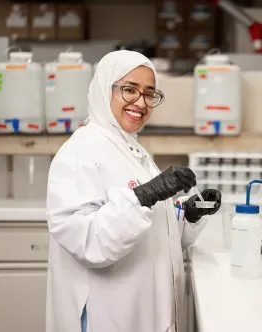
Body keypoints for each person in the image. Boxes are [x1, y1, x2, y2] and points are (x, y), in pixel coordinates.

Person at [45, 50, 222, 332]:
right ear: (105, 89)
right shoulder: (81, 151)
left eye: (149, 94)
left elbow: (151, 232)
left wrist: (187, 215)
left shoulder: (132, 150)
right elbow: (88, 241)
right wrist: (144, 195)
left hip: (143, 309)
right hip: (107, 315)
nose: (140, 102)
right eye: (129, 90)